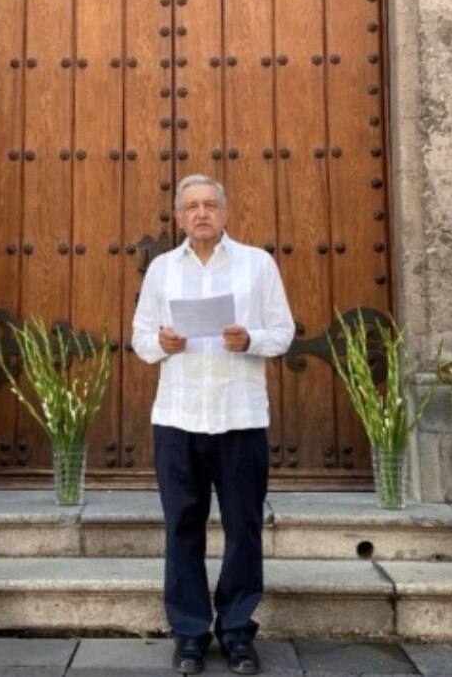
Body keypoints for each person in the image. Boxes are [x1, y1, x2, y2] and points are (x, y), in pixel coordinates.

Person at [132, 174, 295, 675]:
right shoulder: (162, 270)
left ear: (224, 212)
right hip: (178, 418)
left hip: (239, 417)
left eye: (209, 205)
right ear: (179, 217)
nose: (201, 214)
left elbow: (284, 333)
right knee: (183, 528)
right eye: (191, 207)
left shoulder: (257, 264)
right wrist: (164, 343)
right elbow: (140, 339)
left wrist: (249, 340)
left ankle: (238, 631)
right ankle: (188, 634)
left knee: (244, 528)